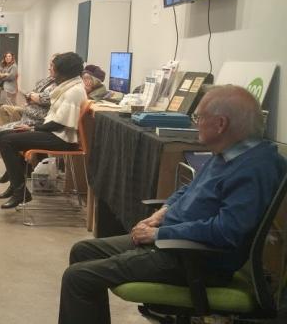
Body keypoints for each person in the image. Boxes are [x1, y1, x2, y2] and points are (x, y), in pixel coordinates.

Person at [58, 85, 287, 324]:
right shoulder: (228, 153)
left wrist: (159, 233)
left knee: (78, 278)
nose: (195, 122)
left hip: (195, 260)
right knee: (83, 251)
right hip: (174, 243)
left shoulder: (255, 169)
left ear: (221, 124)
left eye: (198, 117)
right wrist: (163, 212)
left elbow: (226, 231)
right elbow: (191, 188)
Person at [0, 52, 87, 209]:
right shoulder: (69, 86)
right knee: (3, 135)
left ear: (64, 72)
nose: (52, 73)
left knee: (6, 140)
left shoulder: (73, 91)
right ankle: (18, 187)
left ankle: (20, 191)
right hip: (54, 133)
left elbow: (58, 124)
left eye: (55, 69)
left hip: (61, 138)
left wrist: (31, 127)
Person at [0, 53, 58, 126]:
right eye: (6, 56)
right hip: (27, 107)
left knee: (12, 107)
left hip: (34, 116)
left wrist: (2, 75)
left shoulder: (14, 66)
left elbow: (11, 77)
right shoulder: (47, 79)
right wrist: (32, 97)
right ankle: (3, 131)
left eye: (51, 65)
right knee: (3, 107)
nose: (48, 68)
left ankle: (7, 131)